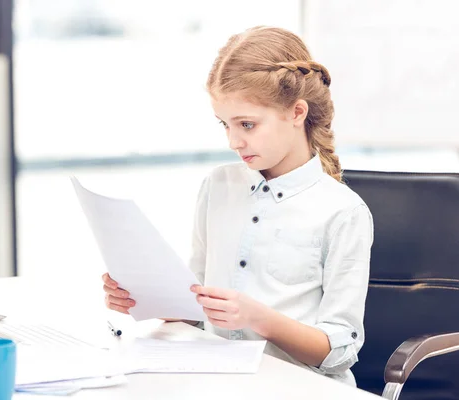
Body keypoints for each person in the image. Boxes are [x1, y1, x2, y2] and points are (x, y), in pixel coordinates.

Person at [101, 25, 373, 386]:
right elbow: (195, 313)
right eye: (225, 125)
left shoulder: (343, 212)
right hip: (217, 379)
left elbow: (338, 351)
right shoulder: (218, 186)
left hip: (297, 386)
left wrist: (258, 318)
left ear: (297, 113)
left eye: (247, 124)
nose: (233, 140)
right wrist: (143, 296)